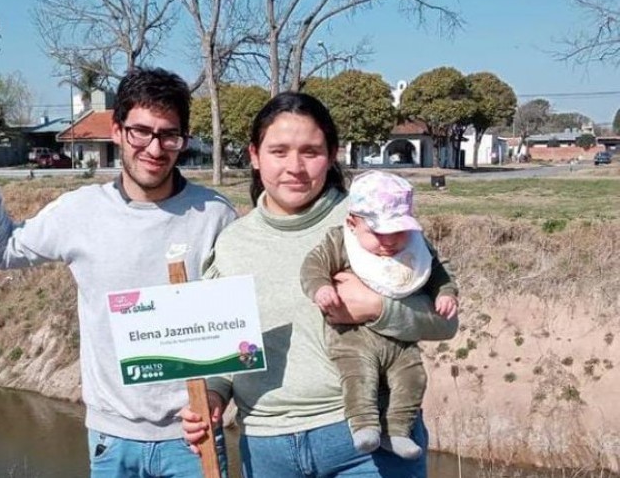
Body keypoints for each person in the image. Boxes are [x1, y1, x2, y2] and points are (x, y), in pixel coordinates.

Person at [0, 67, 237, 478]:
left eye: (168, 135)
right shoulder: (80, 211)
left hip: (193, 441)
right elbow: (0, 248)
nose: (155, 148)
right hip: (110, 441)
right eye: (140, 131)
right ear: (116, 131)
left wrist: (215, 392)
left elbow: (232, 327)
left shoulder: (216, 216)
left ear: (182, 140)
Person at [181, 92, 458, 478]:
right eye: (279, 151)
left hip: (367, 441)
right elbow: (225, 350)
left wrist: (379, 308)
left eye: (310, 151)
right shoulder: (232, 243)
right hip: (265, 445)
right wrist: (212, 396)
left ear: (331, 155)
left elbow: (445, 323)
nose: (294, 167)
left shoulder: (371, 223)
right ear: (255, 156)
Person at [301, 170, 459, 460]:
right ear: (352, 222)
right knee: (359, 377)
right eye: (378, 233)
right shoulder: (340, 242)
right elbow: (313, 267)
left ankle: (397, 430)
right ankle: (364, 428)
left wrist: (446, 293)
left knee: (414, 378)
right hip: (353, 338)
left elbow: (438, 272)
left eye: (398, 232)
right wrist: (321, 288)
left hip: (401, 340)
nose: (390, 242)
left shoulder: (416, 247)